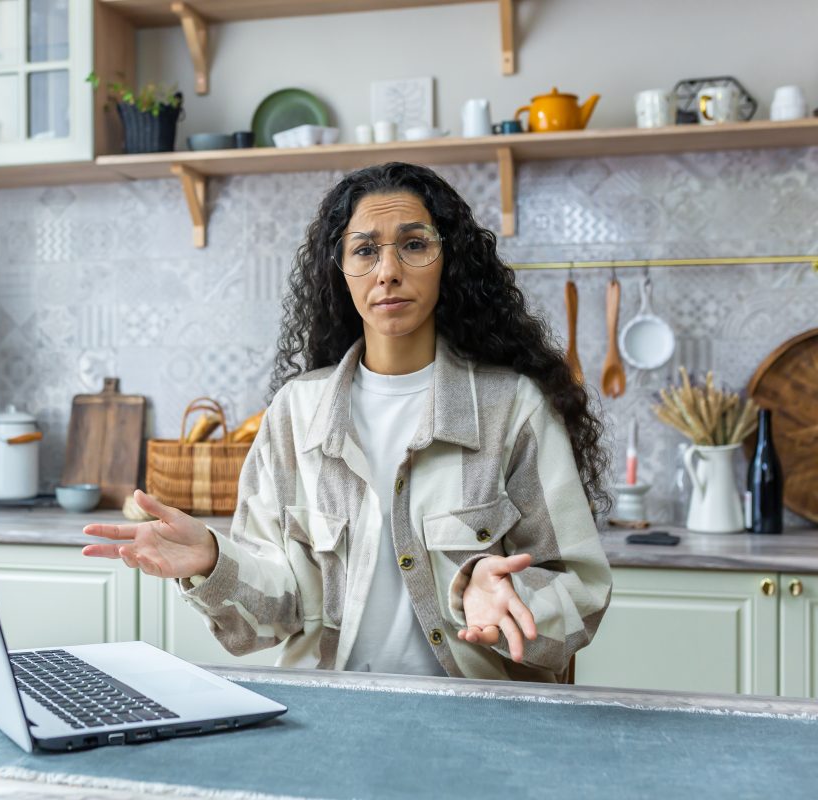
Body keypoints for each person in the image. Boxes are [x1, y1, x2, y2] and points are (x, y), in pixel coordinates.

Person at [82, 162, 612, 682]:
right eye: (364, 250)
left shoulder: (513, 407)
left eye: (414, 243)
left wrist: (502, 596)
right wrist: (212, 562)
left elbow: (580, 591)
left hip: (478, 719)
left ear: (448, 260)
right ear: (341, 269)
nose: (388, 271)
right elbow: (272, 619)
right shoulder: (296, 411)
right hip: (334, 717)